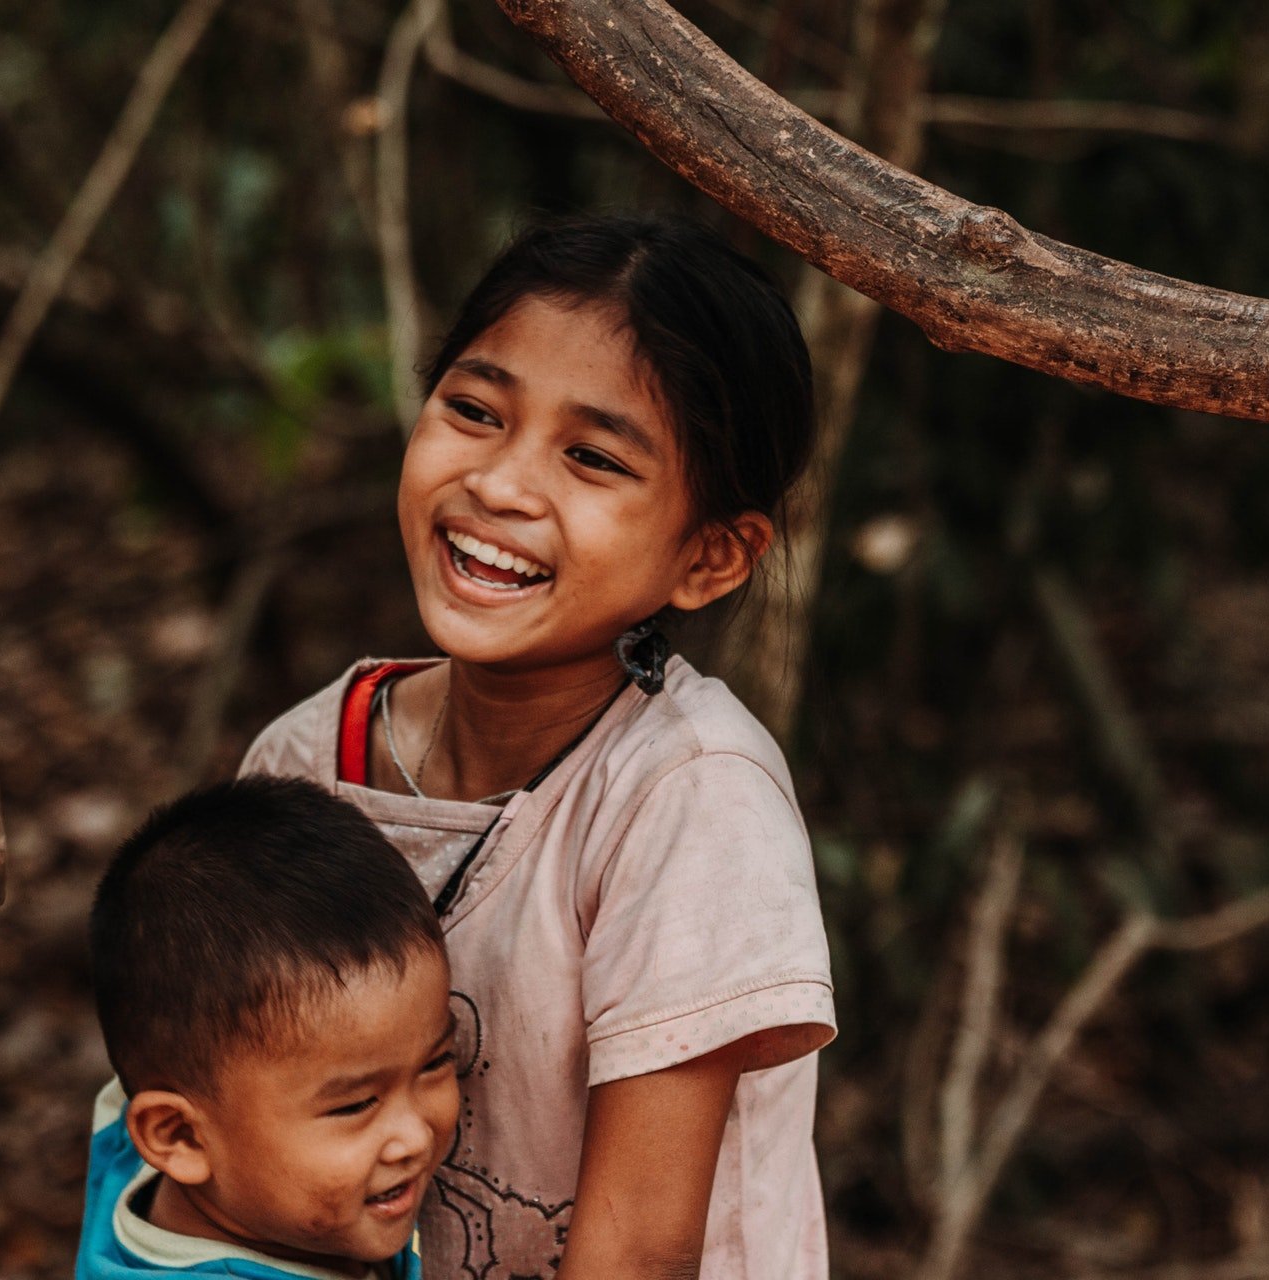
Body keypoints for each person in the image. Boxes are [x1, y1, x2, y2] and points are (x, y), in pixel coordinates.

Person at [241, 215, 838, 1278]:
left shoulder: (688, 796)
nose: (503, 485)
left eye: (593, 457)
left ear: (709, 555)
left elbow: (640, 1253)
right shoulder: (304, 761)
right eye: (474, 409)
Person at [77, 775, 461, 1279]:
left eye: (434, 1063)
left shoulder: (147, 1133)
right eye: (355, 1104)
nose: (414, 1137)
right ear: (181, 1137)